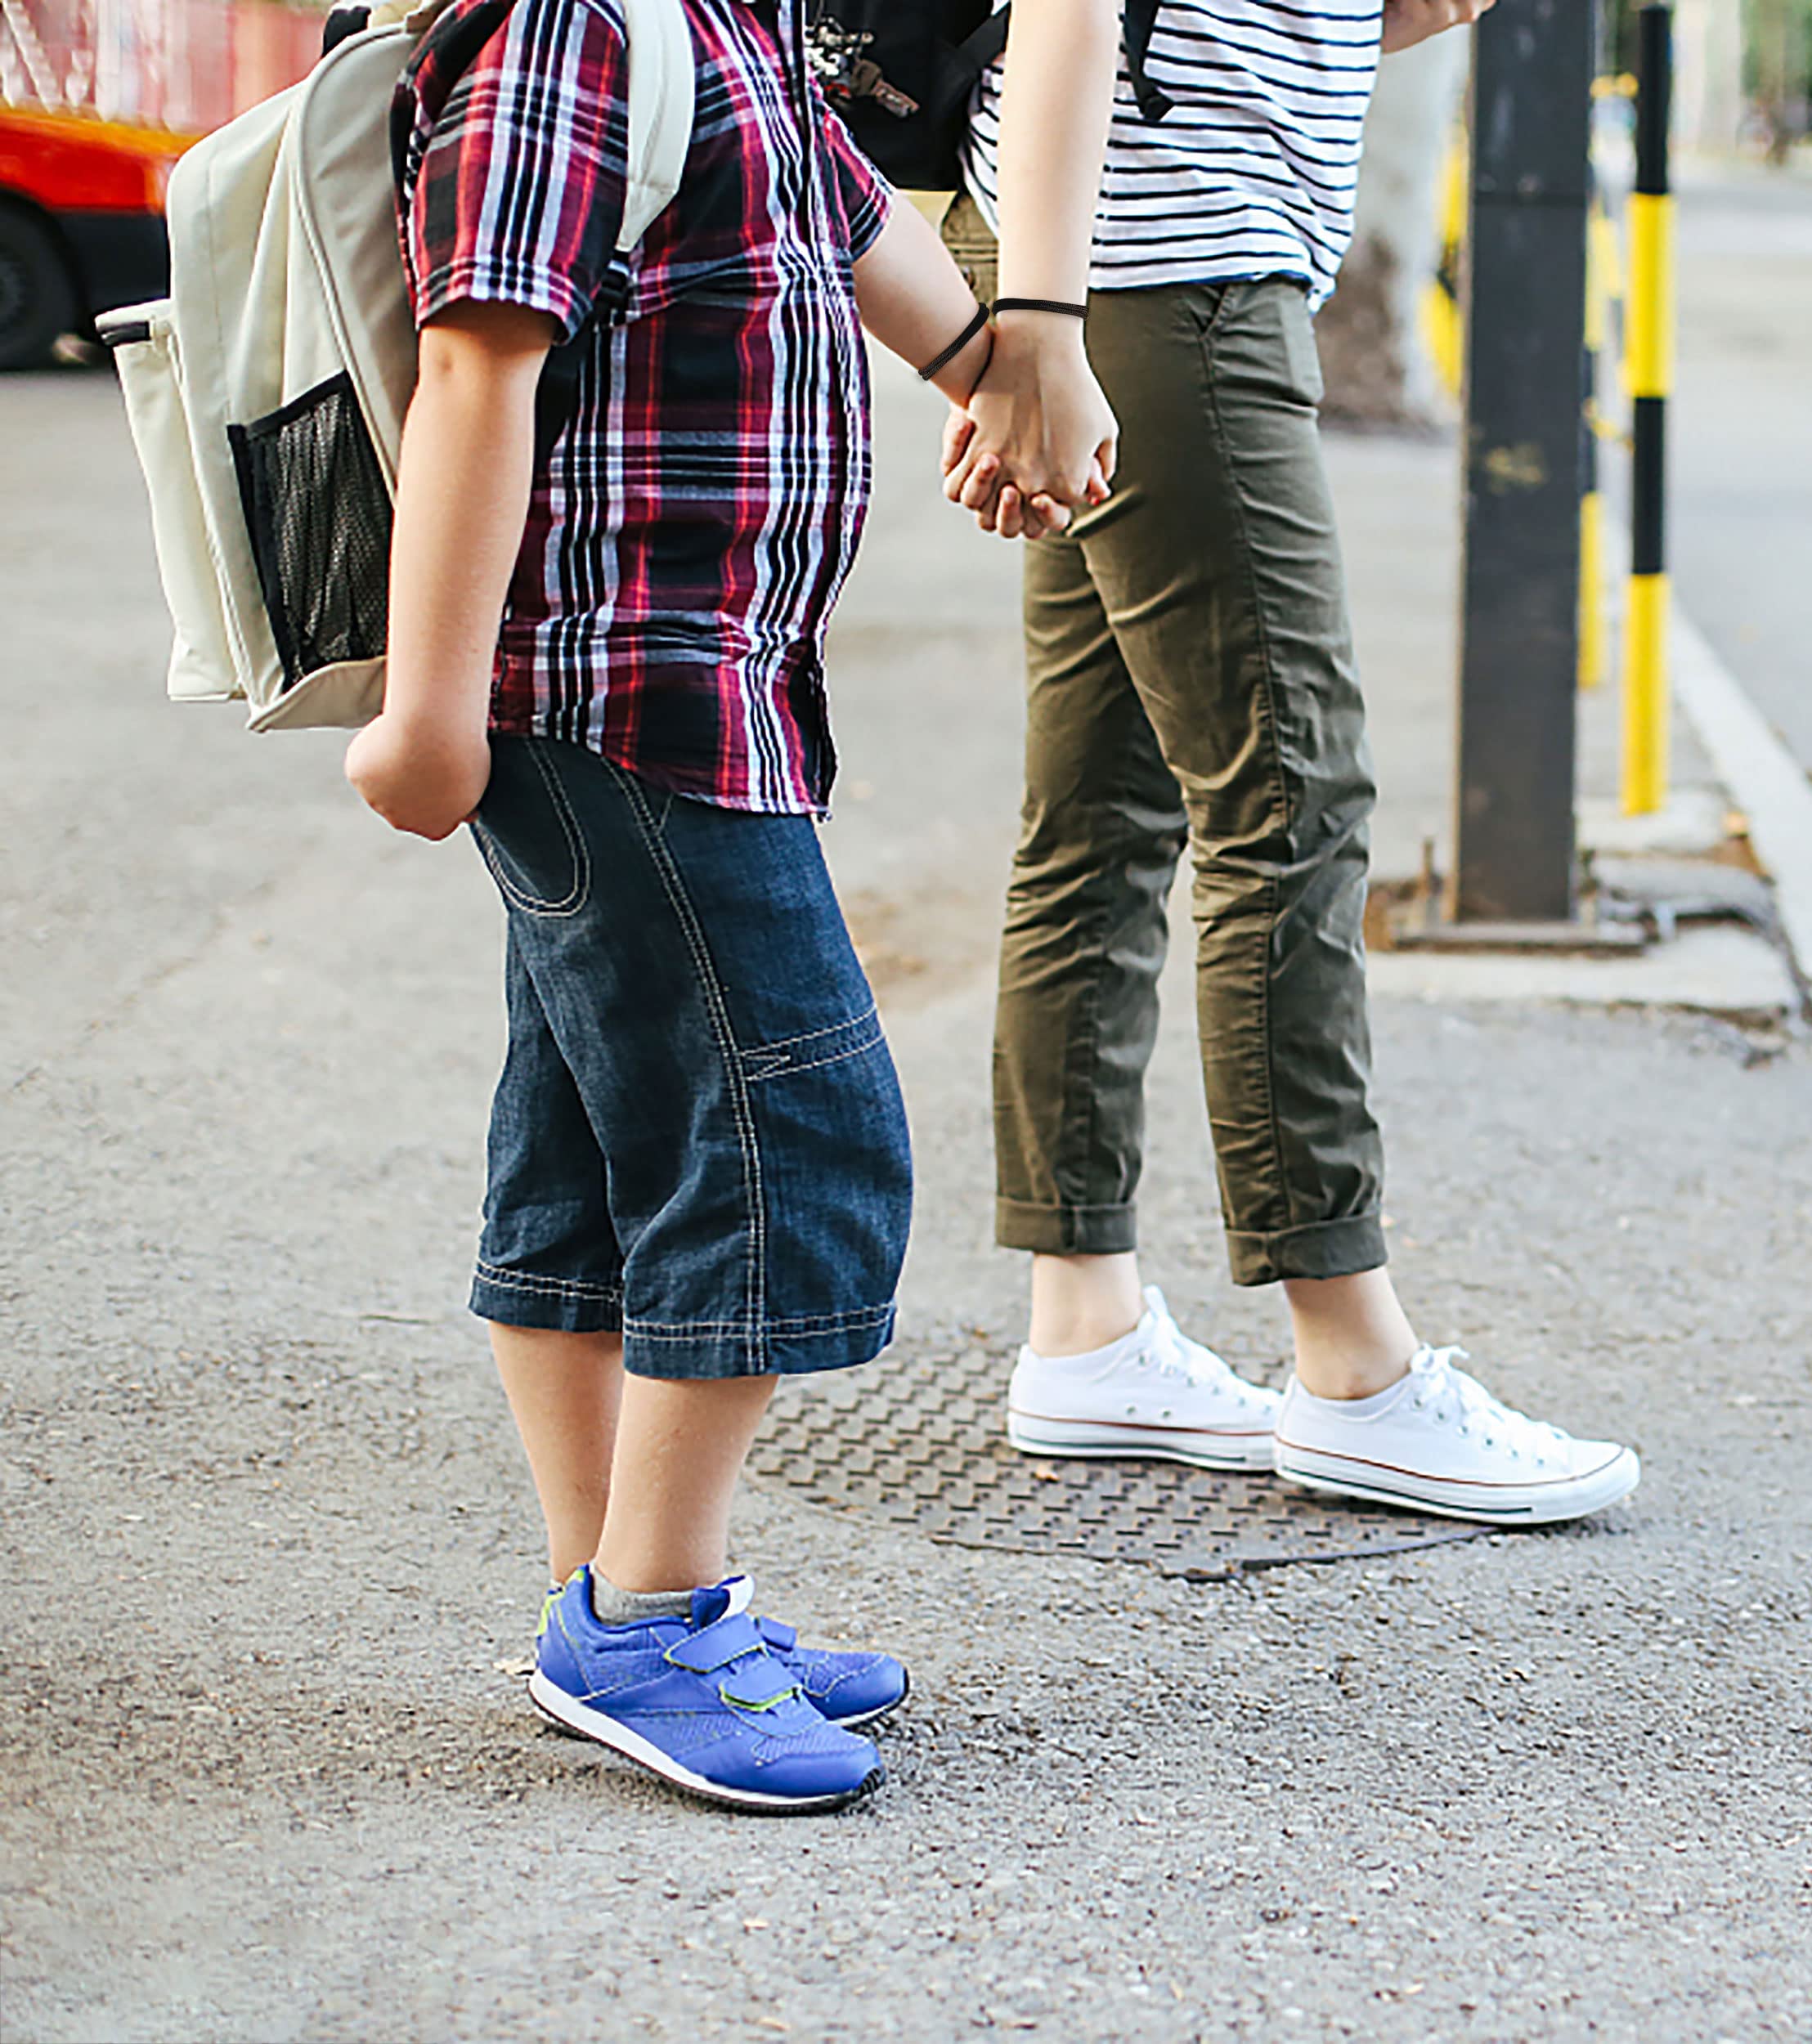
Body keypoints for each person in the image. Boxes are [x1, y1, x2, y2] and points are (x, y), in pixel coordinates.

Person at [343, 0, 1094, 1813]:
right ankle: (653, 1613)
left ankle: (611, 1593)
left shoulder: (724, 27)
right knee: (786, 1133)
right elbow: (476, 366)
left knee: (599, 1145)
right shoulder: (565, 29)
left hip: (703, 690)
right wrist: (426, 704)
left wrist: (1010, 362)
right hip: (623, 701)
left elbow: (854, 227)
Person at [944, 0, 1644, 1526]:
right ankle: (1353, 1364)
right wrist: (1047, 330)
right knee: (1287, 797)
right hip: (1164, 272)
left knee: (1103, 810)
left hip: (1114, 258)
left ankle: (1088, 1324)